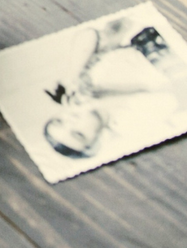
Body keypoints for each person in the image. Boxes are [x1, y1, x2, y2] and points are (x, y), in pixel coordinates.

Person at [41, 22, 179, 160]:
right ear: (95, 142)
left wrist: (74, 76)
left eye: (59, 121)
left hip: (145, 36)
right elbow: (168, 99)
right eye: (78, 133)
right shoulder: (126, 125)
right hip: (170, 60)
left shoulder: (81, 86)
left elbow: (89, 34)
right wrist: (105, 98)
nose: (71, 120)